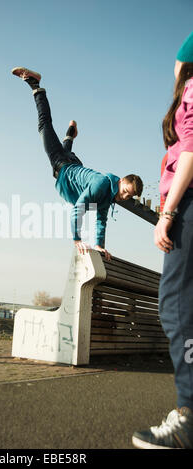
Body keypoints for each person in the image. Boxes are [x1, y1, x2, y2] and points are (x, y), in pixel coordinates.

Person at [132, 31, 193, 449]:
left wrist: (167, 213)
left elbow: (191, 149)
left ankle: (189, 417)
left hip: (188, 206)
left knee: (176, 308)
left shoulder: (191, 86)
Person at [12, 67, 143, 259]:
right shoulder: (102, 185)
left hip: (72, 163)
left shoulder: (108, 198)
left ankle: (70, 136)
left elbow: (101, 222)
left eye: (128, 196)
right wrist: (77, 239)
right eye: (124, 191)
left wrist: (99, 246)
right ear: (121, 181)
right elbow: (79, 209)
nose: (124, 197)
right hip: (63, 164)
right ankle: (36, 85)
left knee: (65, 150)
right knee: (44, 125)